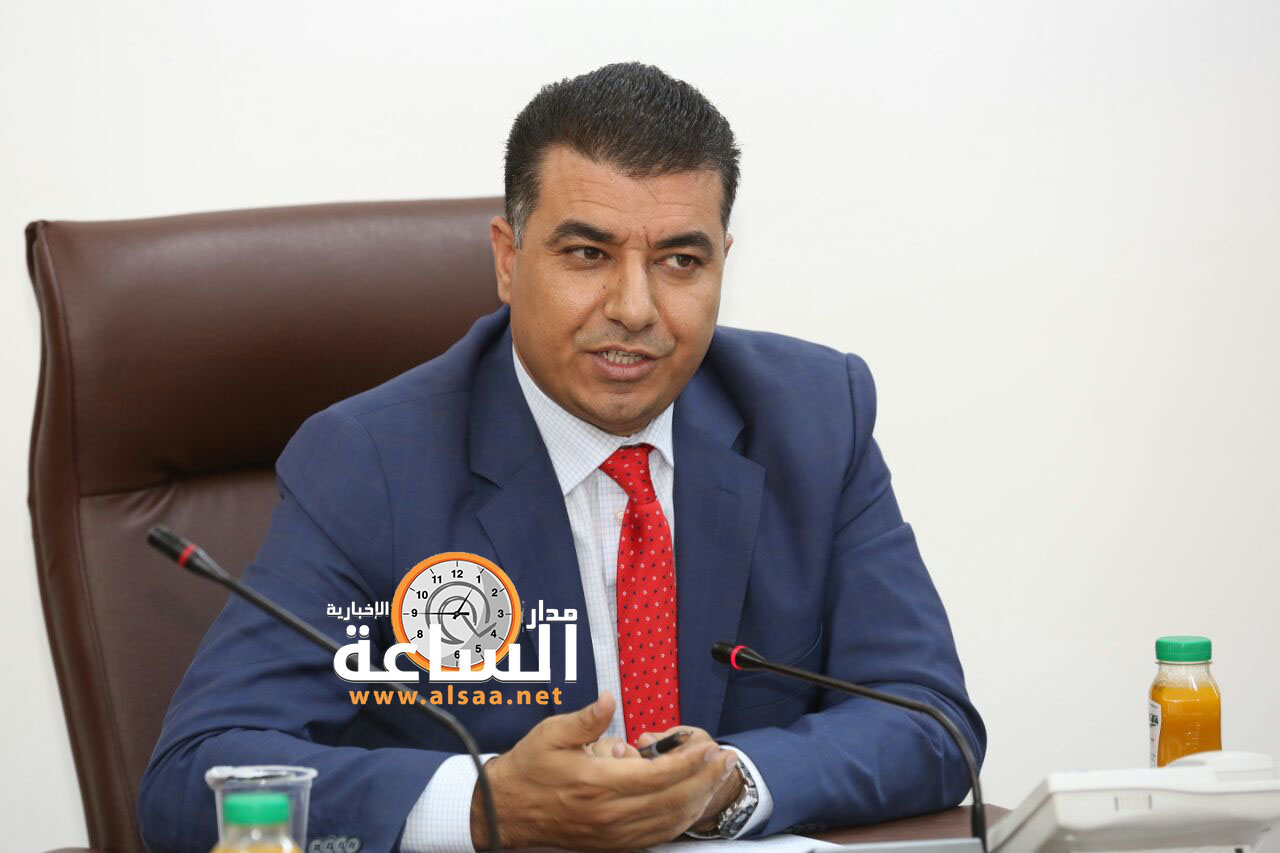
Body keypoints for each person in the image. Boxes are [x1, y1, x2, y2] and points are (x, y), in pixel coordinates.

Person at [138, 62, 985, 853]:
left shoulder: (813, 417)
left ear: (723, 263)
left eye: (680, 260)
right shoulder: (373, 461)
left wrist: (730, 783)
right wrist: (487, 802)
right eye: (588, 254)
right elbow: (198, 773)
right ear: (509, 261)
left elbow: (930, 718)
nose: (634, 307)